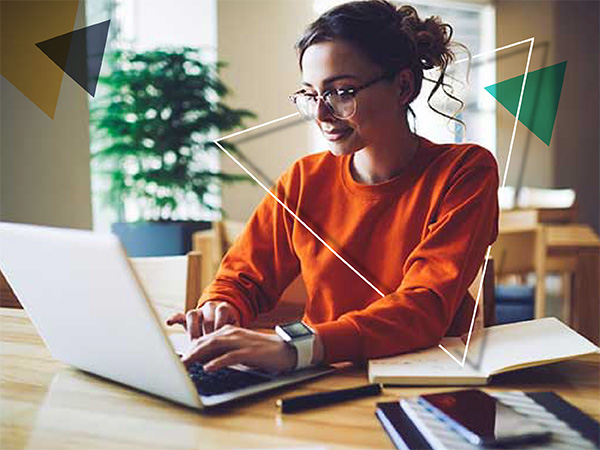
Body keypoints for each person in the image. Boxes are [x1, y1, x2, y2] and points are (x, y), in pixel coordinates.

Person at [167, 0, 498, 374]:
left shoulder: (465, 171)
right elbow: (242, 278)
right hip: (322, 378)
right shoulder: (303, 179)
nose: (322, 115)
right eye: (311, 94)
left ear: (403, 86)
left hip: (429, 384)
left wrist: (297, 348)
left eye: (342, 92)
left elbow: (423, 307)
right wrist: (221, 306)